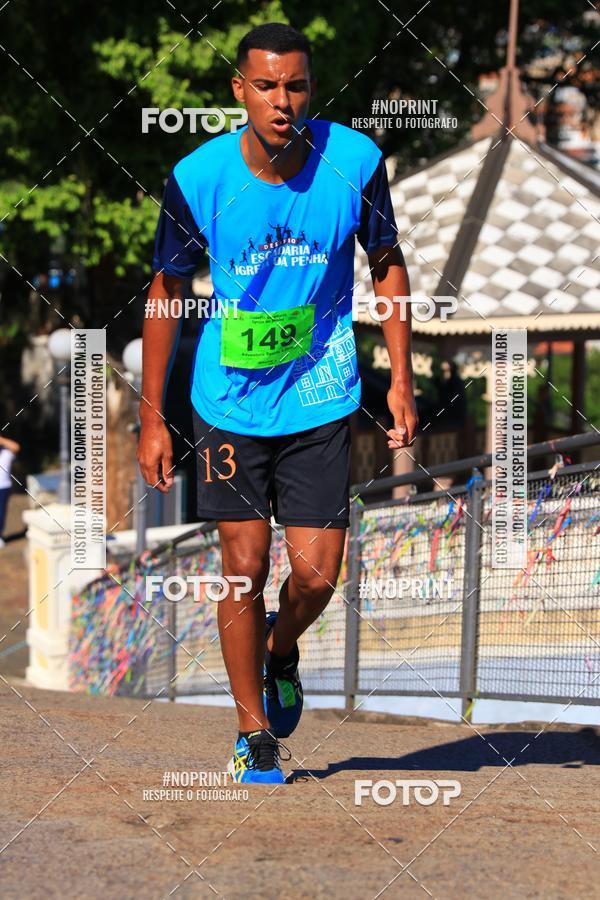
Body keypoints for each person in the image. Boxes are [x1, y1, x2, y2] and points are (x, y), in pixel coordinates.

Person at [139, 23, 417, 783]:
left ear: (310, 88)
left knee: (319, 574)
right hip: (228, 401)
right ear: (240, 91)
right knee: (243, 562)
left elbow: (387, 265)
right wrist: (152, 417)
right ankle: (253, 730)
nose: (282, 101)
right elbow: (165, 294)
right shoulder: (199, 178)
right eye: (266, 86)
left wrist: (401, 377)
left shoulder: (355, 161)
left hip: (322, 391)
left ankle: (280, 648)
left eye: (295, 85)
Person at [0, 435, 21, 548]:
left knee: (1, 512)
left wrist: (1, 440)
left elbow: (16, 447)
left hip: (3, 486)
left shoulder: (7, 452)